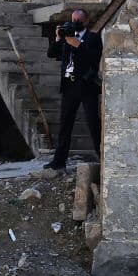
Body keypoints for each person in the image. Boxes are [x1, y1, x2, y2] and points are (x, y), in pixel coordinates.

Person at [43, 9, 102, 170]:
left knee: (93, 123)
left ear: (86, 21)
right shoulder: (66, 37)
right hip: (69, 85)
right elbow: (51, 53)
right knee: (65, 124)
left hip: (86, 86)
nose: (75, 22)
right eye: (73, 19)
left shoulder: (93, 38)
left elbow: (94, 59)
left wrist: (79, 46)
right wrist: (58, 38)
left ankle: (102, 156)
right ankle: (59, 160)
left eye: (78, 20)